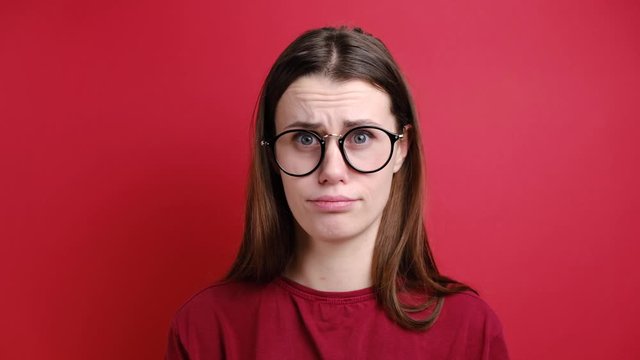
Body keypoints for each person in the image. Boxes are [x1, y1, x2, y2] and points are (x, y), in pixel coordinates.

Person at [166, 26, 509, 359]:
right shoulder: (205, 328)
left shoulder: (468, 329)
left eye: (361, 137)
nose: (331, 171)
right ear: (271, 155)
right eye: (304, 139)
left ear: (401, 149)